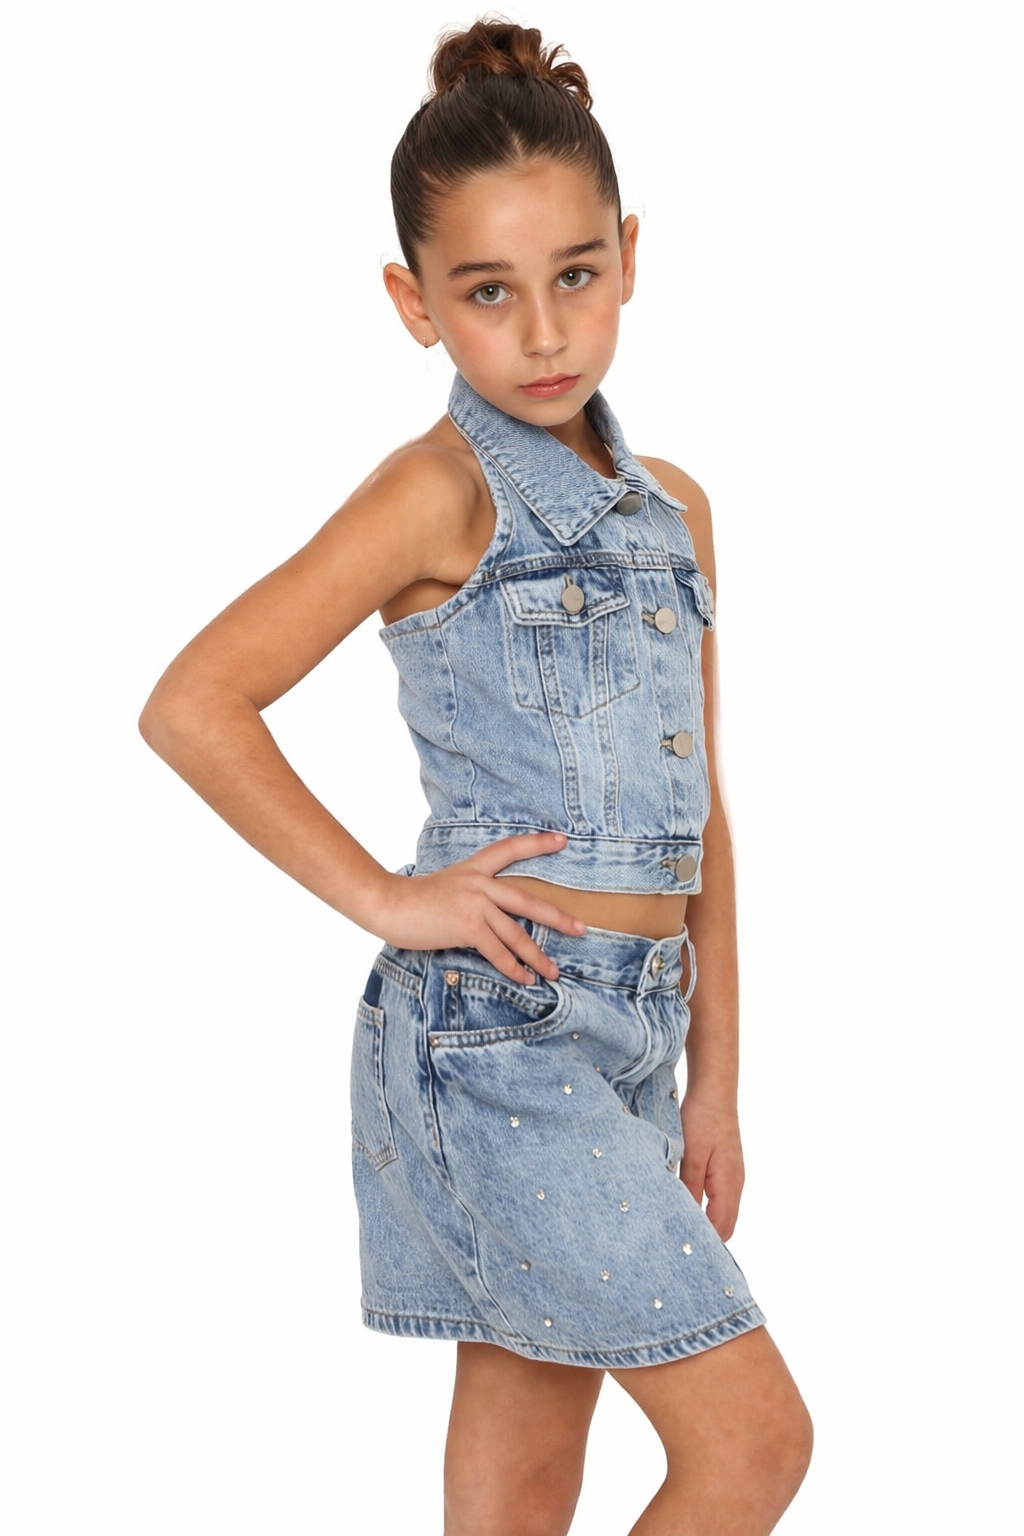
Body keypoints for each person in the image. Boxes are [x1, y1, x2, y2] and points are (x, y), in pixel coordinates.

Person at [140, 18, 812, 1535]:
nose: (545, 332)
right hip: (498, 1038)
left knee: (524, 1479)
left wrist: (715, 1080)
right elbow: (195, 704)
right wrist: (391, 899)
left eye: (576, 274)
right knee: (756, 1445)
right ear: (416, 303)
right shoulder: (434, 496)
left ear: (630, 256)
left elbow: (703, 810)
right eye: (489, 292)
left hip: (636, 1042)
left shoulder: (676, 513)